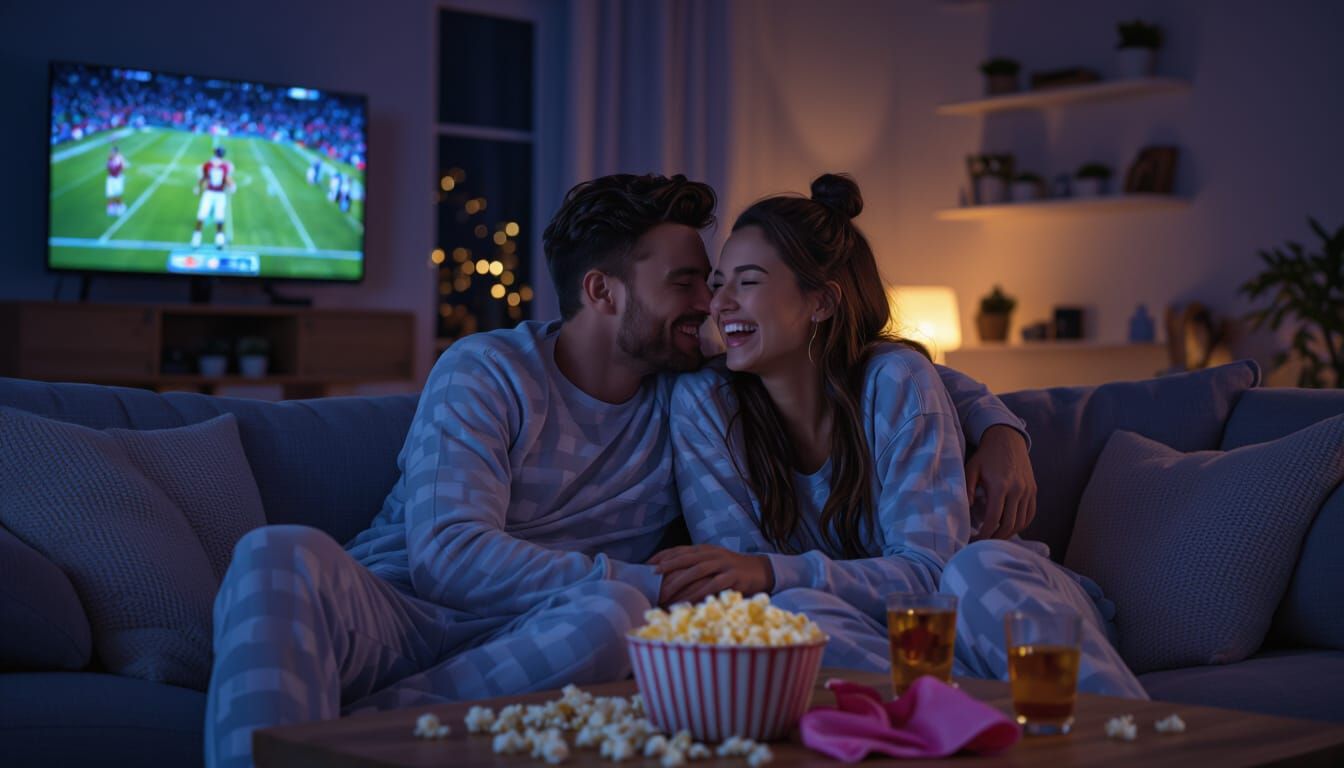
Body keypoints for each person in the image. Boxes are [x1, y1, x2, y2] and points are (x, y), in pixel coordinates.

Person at [205, 173, 1034, 768]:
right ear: (602, 292)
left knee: (611, 619)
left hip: (555, 641)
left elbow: (850, 360)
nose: (712, 306)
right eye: (689, 283)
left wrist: (996, 422)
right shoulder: (486, 370)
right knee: (275, 552)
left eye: (721, 285)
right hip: (406, 614)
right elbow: (446, 556)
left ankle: (352, 741)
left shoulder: (693, 389)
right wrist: (641, 579)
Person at [662, 173, 1146, 699]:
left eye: (747, 282)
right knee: (785, 617)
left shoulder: (895, 380)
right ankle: (962, 722)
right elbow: (741, 588)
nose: (719, 303)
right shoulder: (704, 405)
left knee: (976, 567)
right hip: (900, 646)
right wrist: (768, 577)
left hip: (993, 611)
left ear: (822, 302)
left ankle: (1130, 736)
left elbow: (929, 572)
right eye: (717, 283)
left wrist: (771, 571)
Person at [191, 146, 234, 249]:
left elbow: (205, 178)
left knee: (208, 216)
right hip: (214, 193)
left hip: (215, 193)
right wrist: (232, 186)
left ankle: (200, 239)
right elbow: (205, 177)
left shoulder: (217, 165)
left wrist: (198, 187)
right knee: (209, 215)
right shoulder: (218, 165)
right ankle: (213, 239)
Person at [105, 145, 128, 216]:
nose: (111, 153)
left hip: (117, 179)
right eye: (111, 152)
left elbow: (124, 167)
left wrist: (120, 162)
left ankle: (120, 206)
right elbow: (107, 168)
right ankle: (111, 207)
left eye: (113, 152)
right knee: (110, 194)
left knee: (117, 194)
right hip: (111, 179)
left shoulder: (119, 159)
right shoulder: (109, 159)